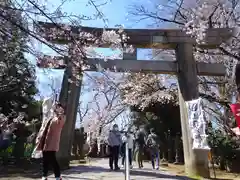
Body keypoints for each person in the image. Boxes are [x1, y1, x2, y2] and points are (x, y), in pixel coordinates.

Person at [33, 100, 65, 180]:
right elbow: (44, 128)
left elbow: (60, 120)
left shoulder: (62, 117)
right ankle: (44, 175)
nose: (56, 108)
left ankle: (58, 176)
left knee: (52, 159)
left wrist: (58, 112)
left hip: (52, 142)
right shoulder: (50, 118)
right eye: (56, 107)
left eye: (58, 107)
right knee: (45, 160)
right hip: (45, 141)